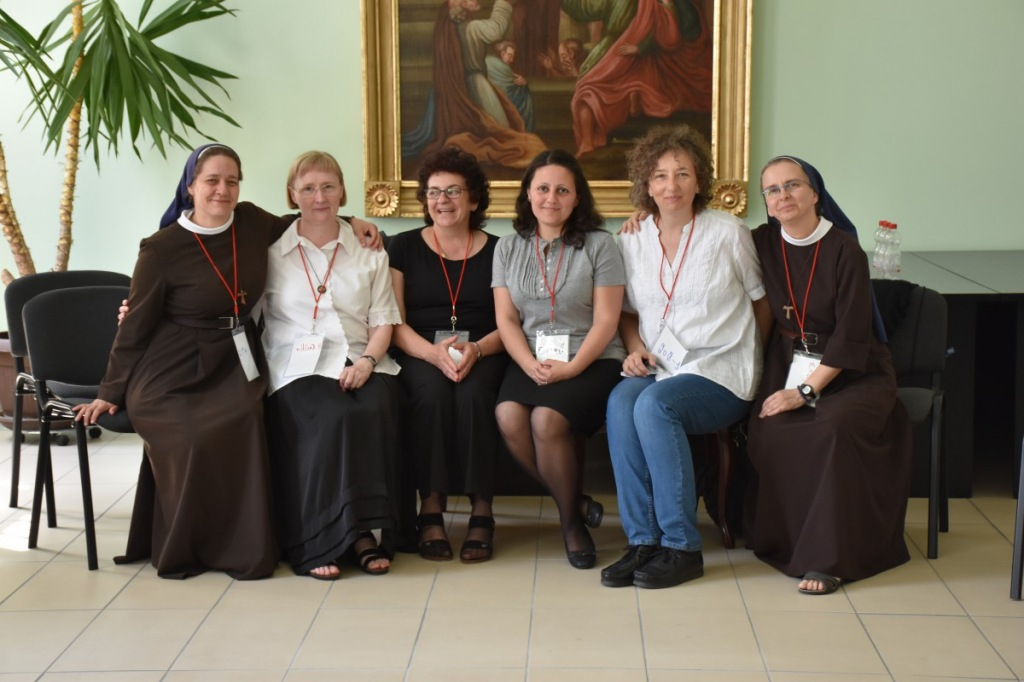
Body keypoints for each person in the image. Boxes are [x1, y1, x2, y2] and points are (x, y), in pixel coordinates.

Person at [74, 143, 379, 579]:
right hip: (171, 367)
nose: (222, 190)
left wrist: (354, 221)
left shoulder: (253, 222)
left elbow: (309, 215)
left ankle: (243, 546)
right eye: (212, 181)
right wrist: (110, 391)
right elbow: (135, 326)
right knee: (191, 433)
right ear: (190, 186)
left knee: (247, 421)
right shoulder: (160, 249)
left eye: (231, 181)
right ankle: (191, 546)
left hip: (234, 359)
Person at [602, 125, 769, 589]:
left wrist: (752, 355)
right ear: (646, 183)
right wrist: (634, 349)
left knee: (655, 406)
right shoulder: (631, 239)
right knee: (621, 401)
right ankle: (643, 541)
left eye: (682, 174)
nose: (670, 185)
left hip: (721, 370)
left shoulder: (728, 232)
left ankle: (681, 546)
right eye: (660, 175)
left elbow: (761, 301)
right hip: (659, 366)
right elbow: (627, 313)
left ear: (700, 181)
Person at [747, 155, 912, 595]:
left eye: (793, 185)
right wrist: (643, 219)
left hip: (855, 370)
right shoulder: (762, 241)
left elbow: (852, 335)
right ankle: (786, 542)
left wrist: (804, 391)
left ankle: (829, 559)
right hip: (791, 360)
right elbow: (703, 230)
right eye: (772, 190)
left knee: (832, 425)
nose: (783, 195)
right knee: (767, 427)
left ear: (815, 193)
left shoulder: (844, 250)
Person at [262, 151, 402, 580]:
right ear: (292, 195)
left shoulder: (369, 251)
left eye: (328, 187)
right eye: (308, 188)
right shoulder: (269, 252)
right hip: (295, 366)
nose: (319, 197)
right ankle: (318, 539)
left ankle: (362, 532)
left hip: (363, 356)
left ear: (343, 190)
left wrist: (367, 362)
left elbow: (383, 319)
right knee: (332, 415)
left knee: (373, 406)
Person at [492, 149, 626, 569]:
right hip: (532, 356)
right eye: (543, 188)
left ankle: (571, 524)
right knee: (509, 414)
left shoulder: (602, 245)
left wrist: (573, 367)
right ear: (528, 194)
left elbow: (607, 321)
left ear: (577, 197)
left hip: (593, 357)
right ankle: (577, 503)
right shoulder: (507, 248)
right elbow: (506, 320)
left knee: (546, 420)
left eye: (563, 190)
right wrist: (527, 363)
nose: (552, 198)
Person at [387, 147, 508, 563]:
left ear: (474, 200)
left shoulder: (501, 250)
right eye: (434, 192)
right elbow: (394, 321)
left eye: (454, 191)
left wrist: (478, 348)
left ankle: (482, 508)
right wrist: (432, 354)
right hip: (420, 350)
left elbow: (512, 321)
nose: (443, 200)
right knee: (431, 394)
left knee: (475, 395)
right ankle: (431, 507)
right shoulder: (402, 247)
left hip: (486, 348)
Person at [571, 0, 712, 157]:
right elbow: (589, 9)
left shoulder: (662, 6)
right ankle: (588, 141)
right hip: (626, 55)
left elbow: (673, 37)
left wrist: (641, 48)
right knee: (588, 90)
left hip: (647, 61)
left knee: (590, 90)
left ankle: (589, 139)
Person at [486, 41, 535, 131]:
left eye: (512, 57)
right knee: (525, 95)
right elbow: (510, 88)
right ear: (502, 54)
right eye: (510, 55)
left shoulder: (491, 61)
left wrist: (523, 82)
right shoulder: (499, 66)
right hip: (492, 103)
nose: (511, 60)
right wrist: (523, 85)